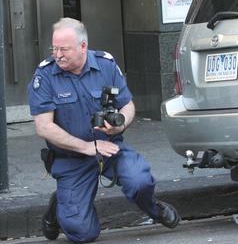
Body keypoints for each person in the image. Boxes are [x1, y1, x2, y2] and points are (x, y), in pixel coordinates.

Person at [27, 18, 180, 243]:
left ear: (82, 46)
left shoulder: (105, 65)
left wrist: (121, 123)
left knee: (140, 181)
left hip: (110, 148)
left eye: (64, 49)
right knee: (82, 233)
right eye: (55, 48)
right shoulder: (45, 75)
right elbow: (43, 126)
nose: (58, 55)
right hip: (72, 158)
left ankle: (154, 208)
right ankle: (61, 205)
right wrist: (87, 147)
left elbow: (128, 105)